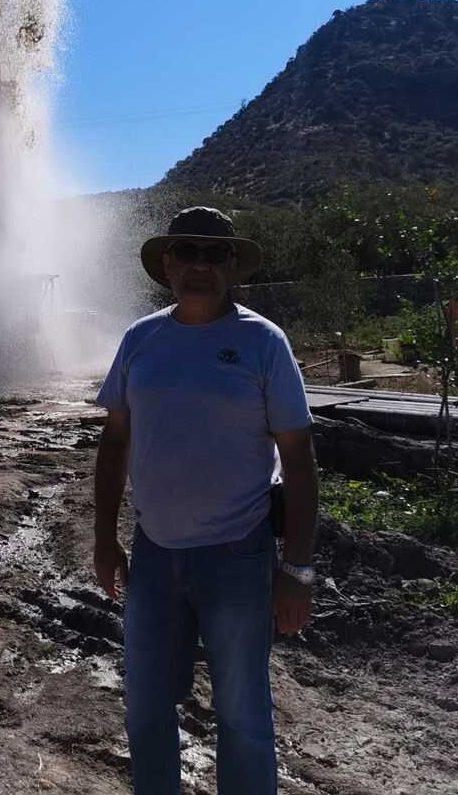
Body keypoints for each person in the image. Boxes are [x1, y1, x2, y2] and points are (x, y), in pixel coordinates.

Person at [93, 206, 318, 795]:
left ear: (232, 266)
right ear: (166, 263)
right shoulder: (140, 340)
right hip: (153, 555)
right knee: (144, 705)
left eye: (213, 254)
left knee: (242, 713)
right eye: (186, 252)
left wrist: (296, 569)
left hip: (237, 558)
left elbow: (298, 461)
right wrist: (102, 539)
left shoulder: (262, 343)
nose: (199, 265)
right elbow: (114, 442)